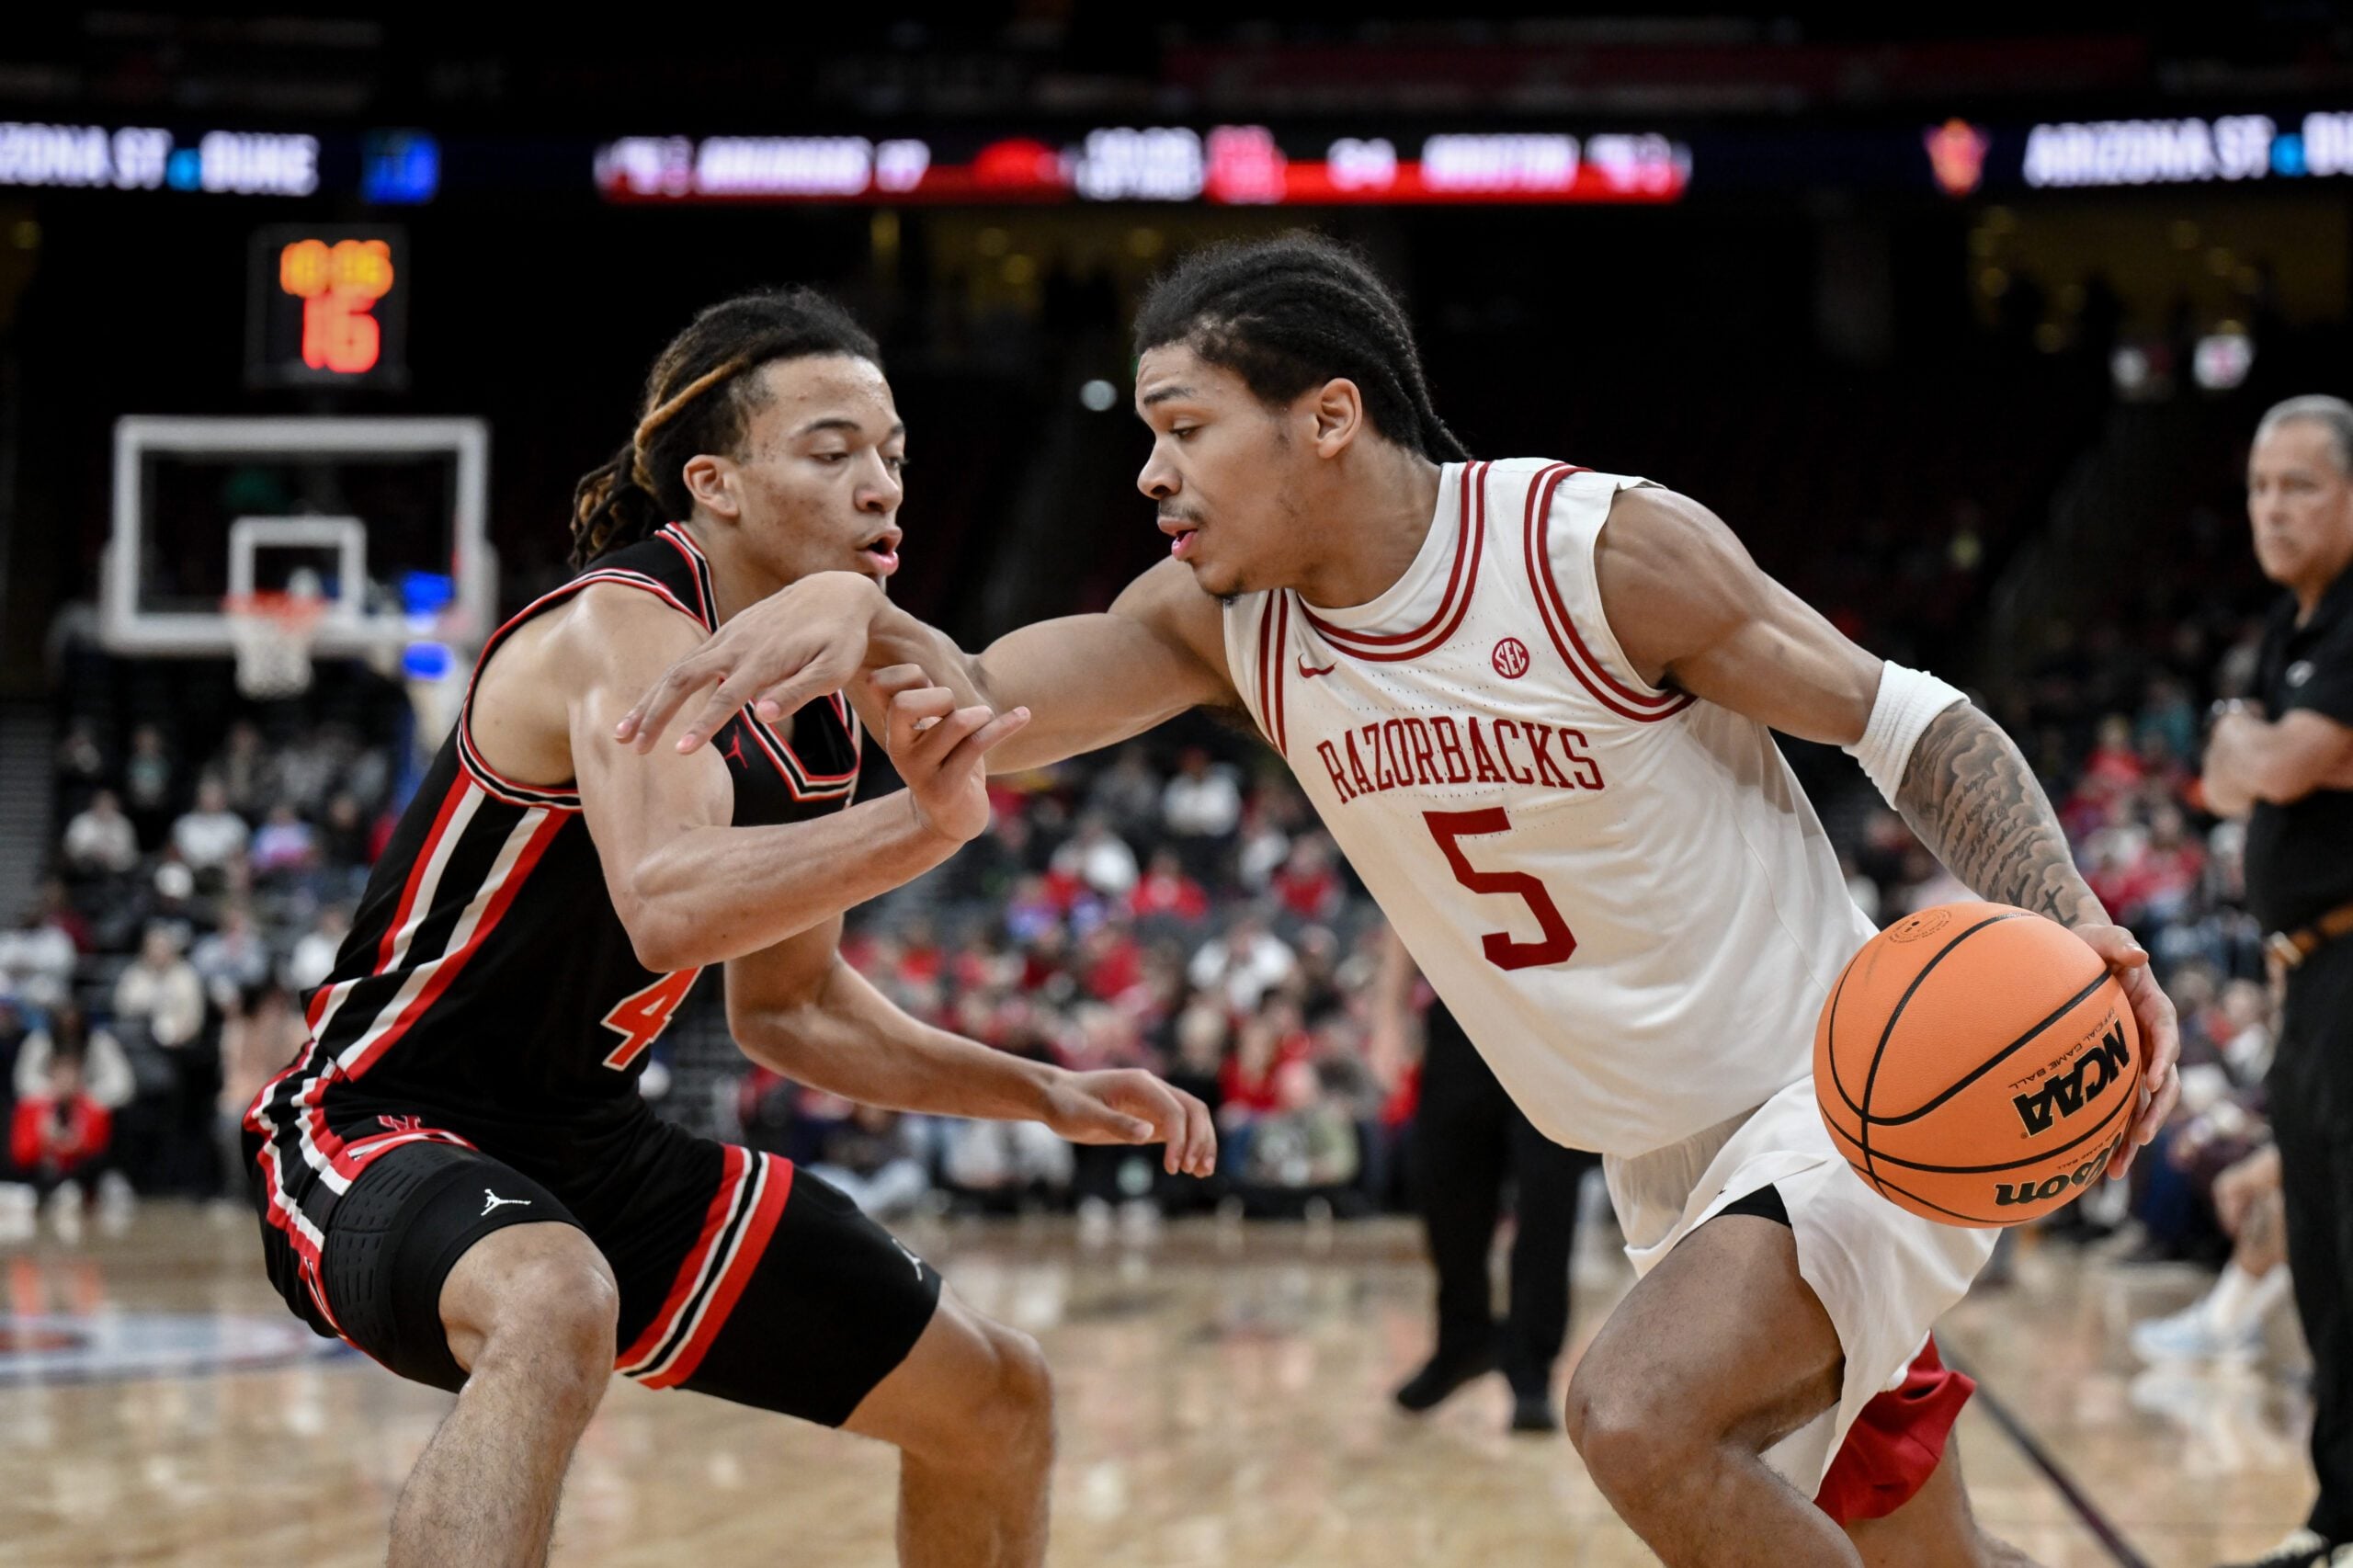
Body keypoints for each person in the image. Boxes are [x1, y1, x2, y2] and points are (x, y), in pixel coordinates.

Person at [620, 236, 2182, 1568]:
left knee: (1637, 1415)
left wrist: (2076, 921)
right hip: (1669, 1161)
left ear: (1328, 419)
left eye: (1184, 426)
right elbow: (965, 708)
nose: (1148, 470)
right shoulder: (1228, 628)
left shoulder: (1596, 554)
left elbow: (1910, 719)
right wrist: (847, 603)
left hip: (1847, 1090)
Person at [243, 289, 1214, 1568]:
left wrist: (1044, 1089)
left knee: (996, 1400)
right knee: (553, 1295)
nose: (880, 487)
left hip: (592, 1143)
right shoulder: (620, 623)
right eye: (831, 452)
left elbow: (790, 1007)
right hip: (376, 1118)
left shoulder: (818, 720)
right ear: (716, 483)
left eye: (894, 456)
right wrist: (930, 824)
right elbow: (668, 899)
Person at [2200, 393, 2353, 1568]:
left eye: (2297, 484)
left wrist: (2275, 751)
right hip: (2306, 977)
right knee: (2320, 1245)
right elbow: (2225, 778)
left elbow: (2283, 757)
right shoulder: (2283, 626)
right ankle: (2337, 1512)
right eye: (2259, 485)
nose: (2272, 506)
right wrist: (2275, 755)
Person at [1375, 926, 1599, 1434]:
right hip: (1461, 1009)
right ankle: (1462, 1342)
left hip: (1555, 1021)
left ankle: (1531, 1371)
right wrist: (1388, 1014)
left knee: (1546, 1202)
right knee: (1443, 1188)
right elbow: (1400, 904)